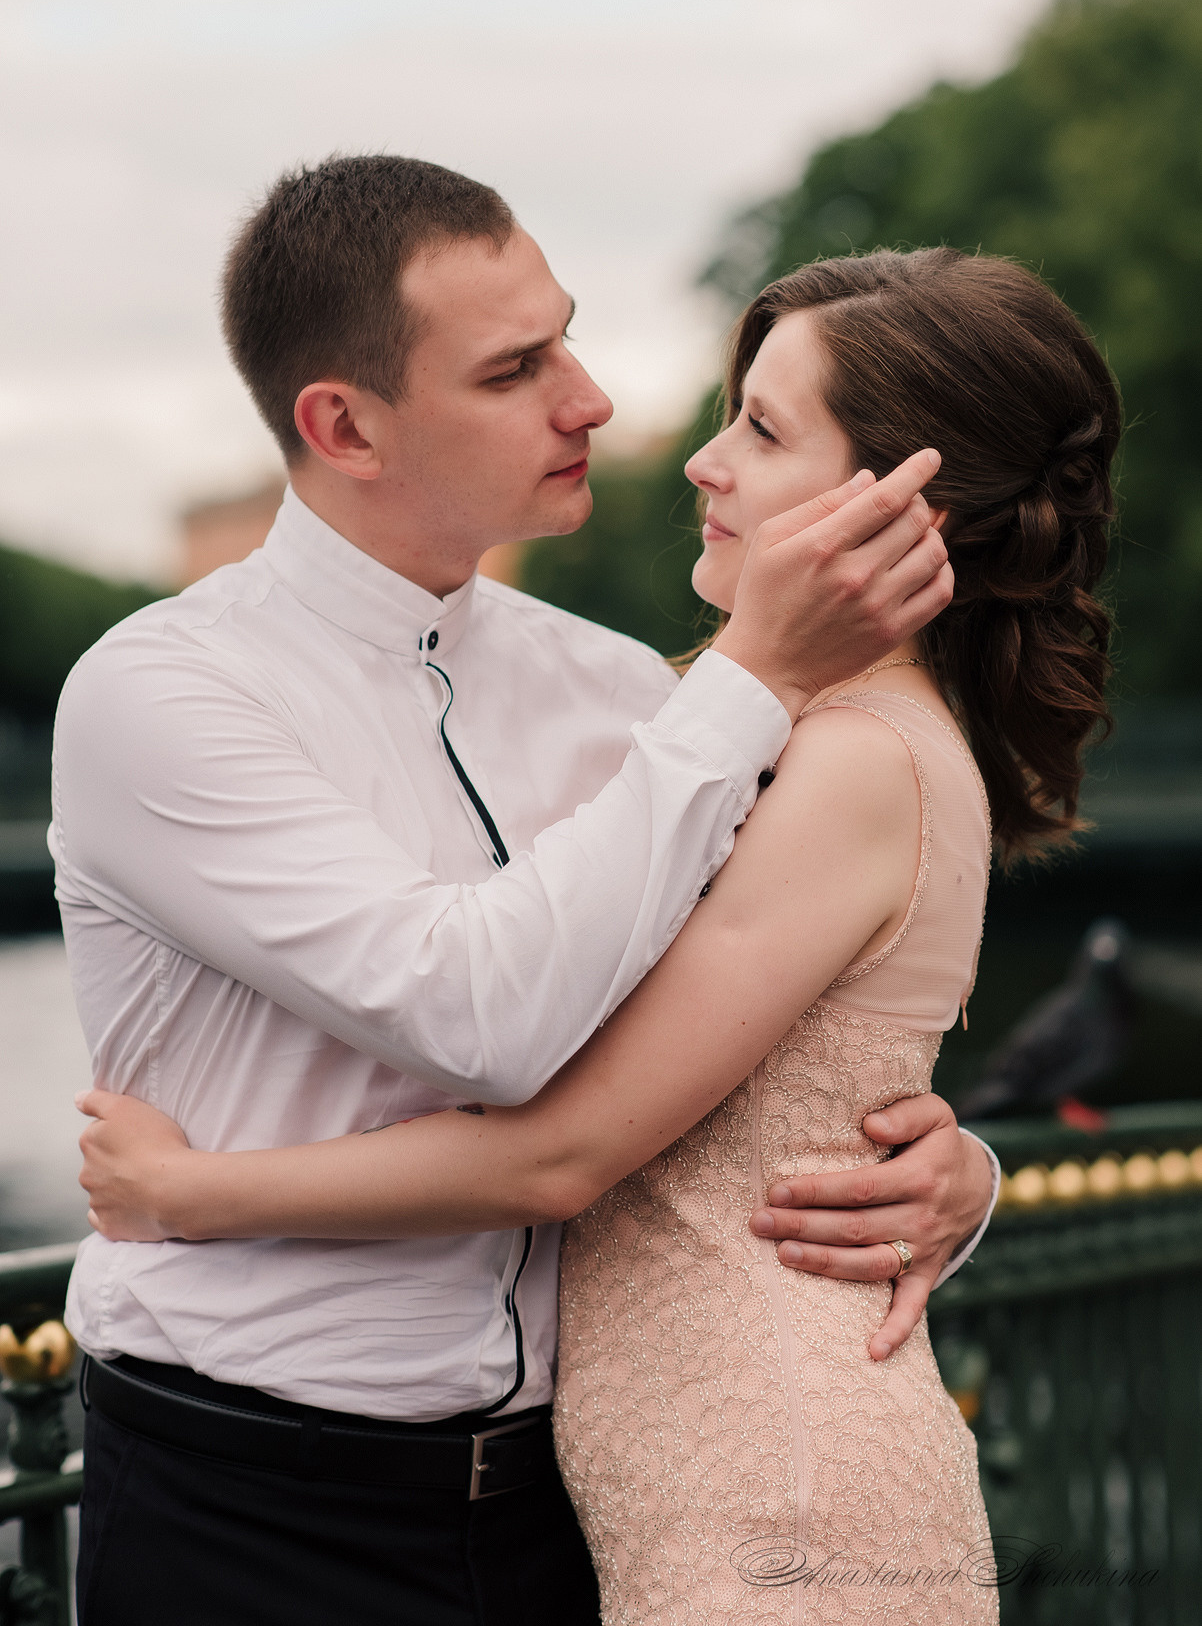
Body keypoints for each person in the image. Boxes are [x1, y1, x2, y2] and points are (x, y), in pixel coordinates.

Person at [56, 159, 997, 1626]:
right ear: (343, 424)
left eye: (566, 335)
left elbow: (784, 1009)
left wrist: (953, 1169)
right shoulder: (160, 697)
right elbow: (475, 1013)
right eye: (516, 369)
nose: (592, 400)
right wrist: (746, 679)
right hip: (250, 1507)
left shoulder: (638, 696)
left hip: (585, 1505)